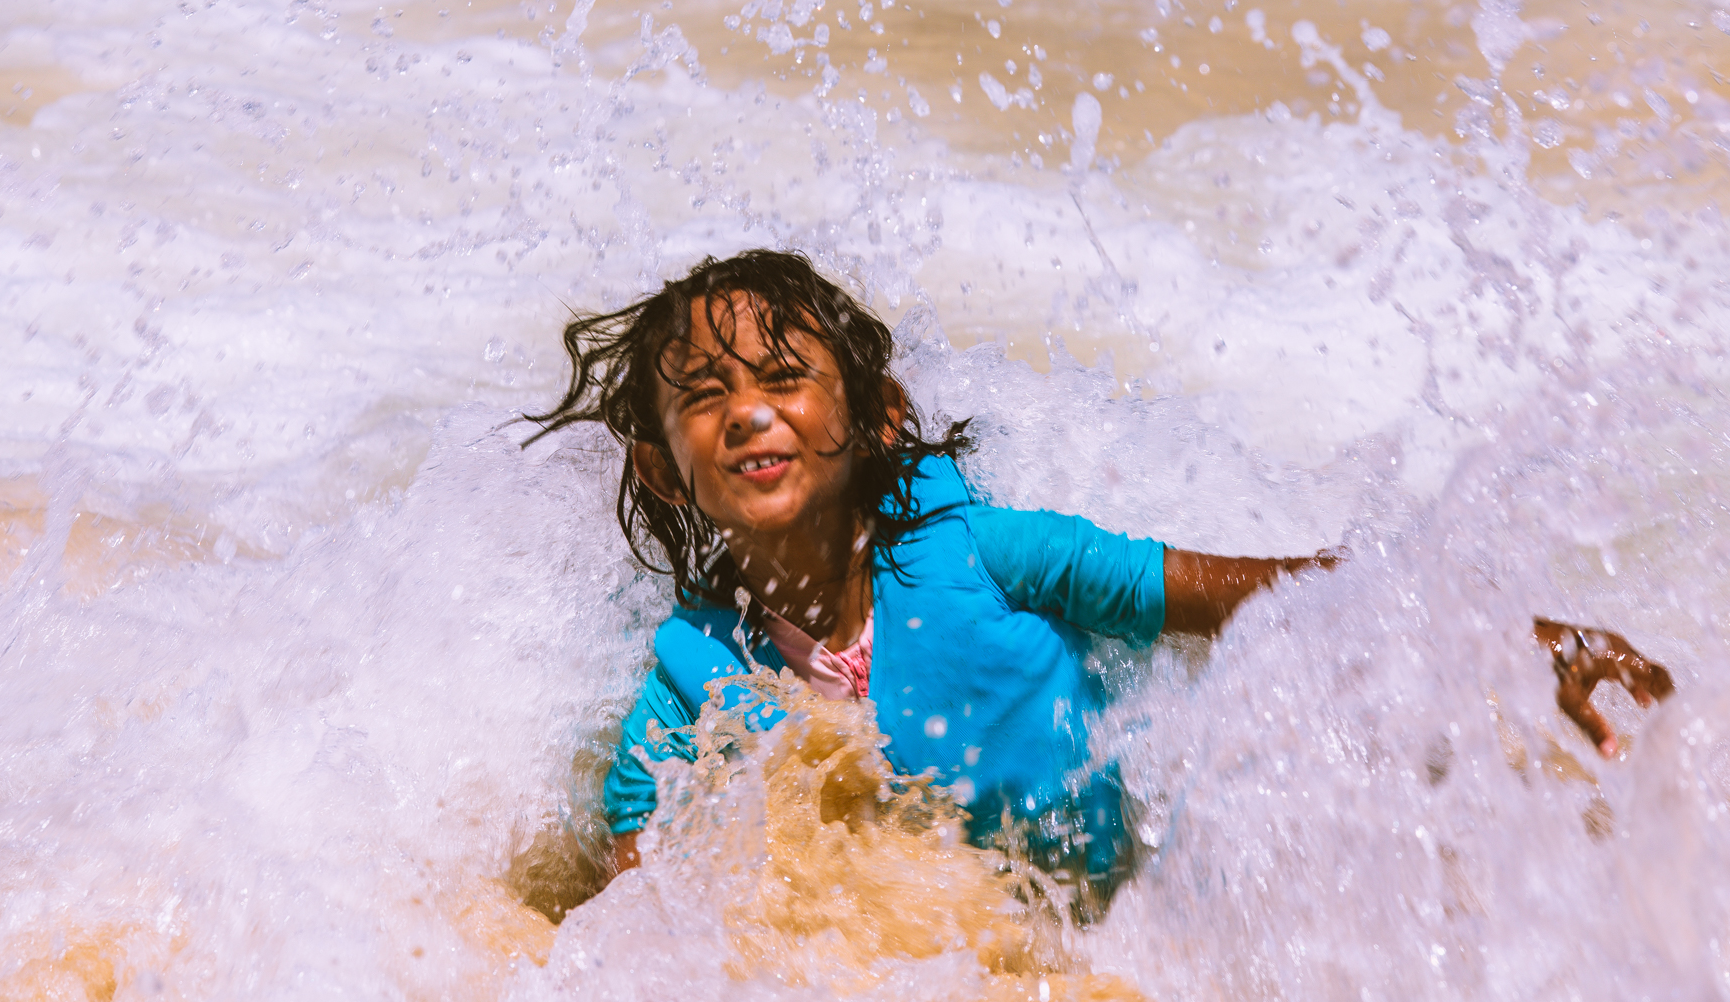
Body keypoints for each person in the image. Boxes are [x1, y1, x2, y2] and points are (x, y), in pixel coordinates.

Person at [527, 249, 1673, 911]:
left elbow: (1258, 592)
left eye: (784, 374)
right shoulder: (692, 678)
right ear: (661, 469)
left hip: (1110, 931)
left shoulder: (981, 553)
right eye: (704, 396)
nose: (747, 410)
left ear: (876, 416)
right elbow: (635, 904)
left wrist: (1514, 637)